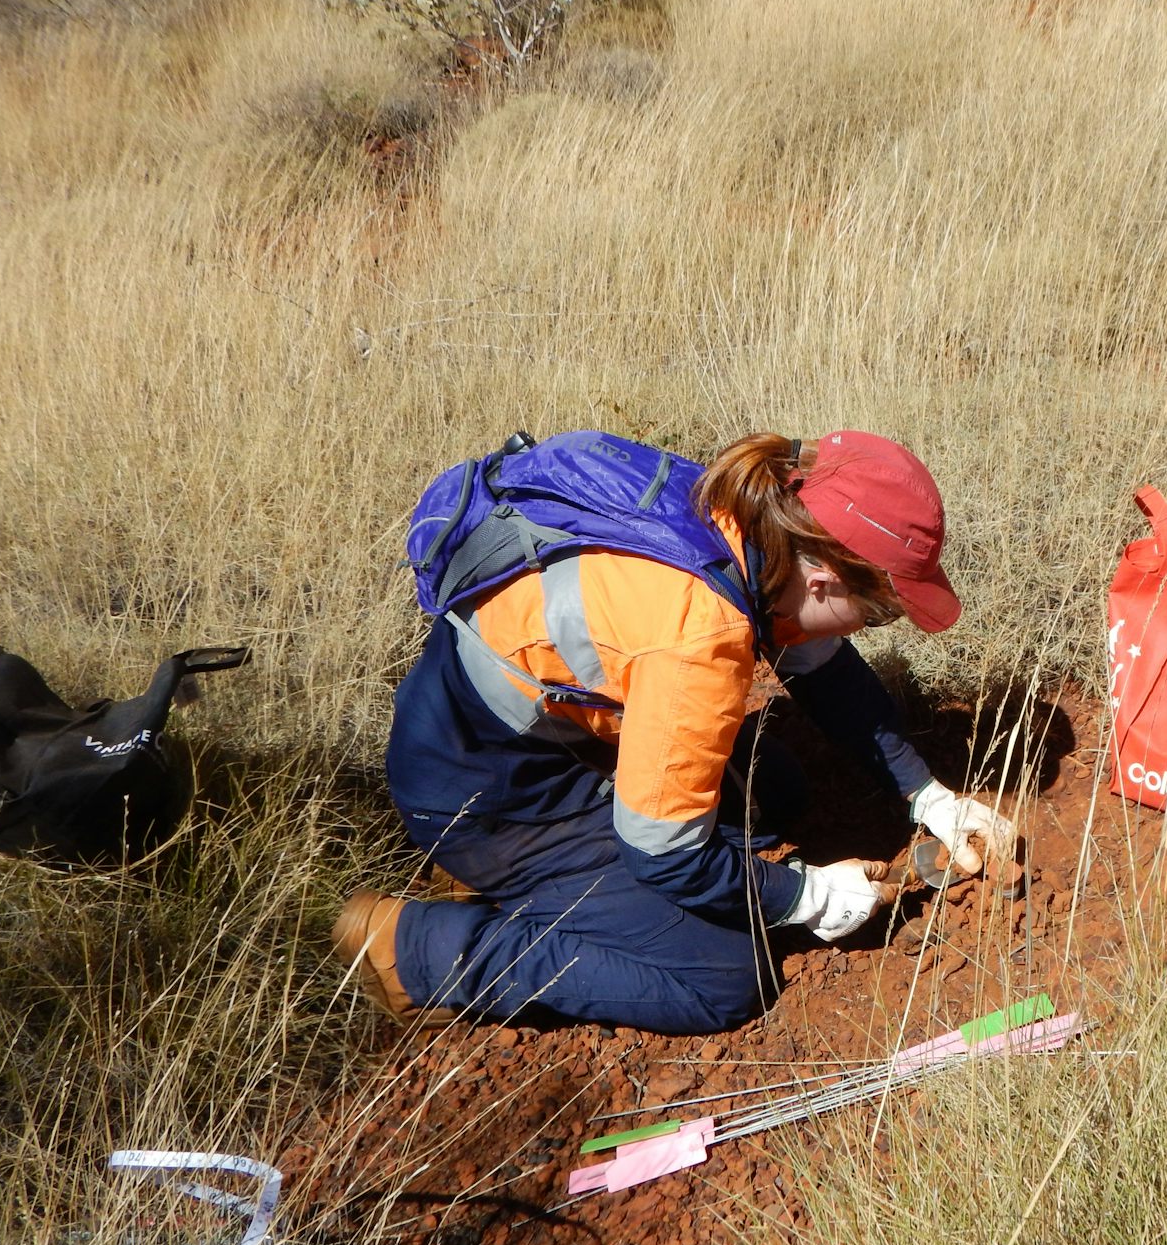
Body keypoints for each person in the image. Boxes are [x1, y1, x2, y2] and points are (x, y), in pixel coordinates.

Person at [333, 429, 1016, 1035]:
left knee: (774, 787)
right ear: (823, 579)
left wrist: (928, 797)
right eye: (873, 614)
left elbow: (830, 678)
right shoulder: (699, 636)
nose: (869, 628)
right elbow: (664, 855)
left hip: (535, 732)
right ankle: (414, 947)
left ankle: (549, 887)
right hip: (490, 794)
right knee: (724, 978)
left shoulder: (747, 529)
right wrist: (807, 898)